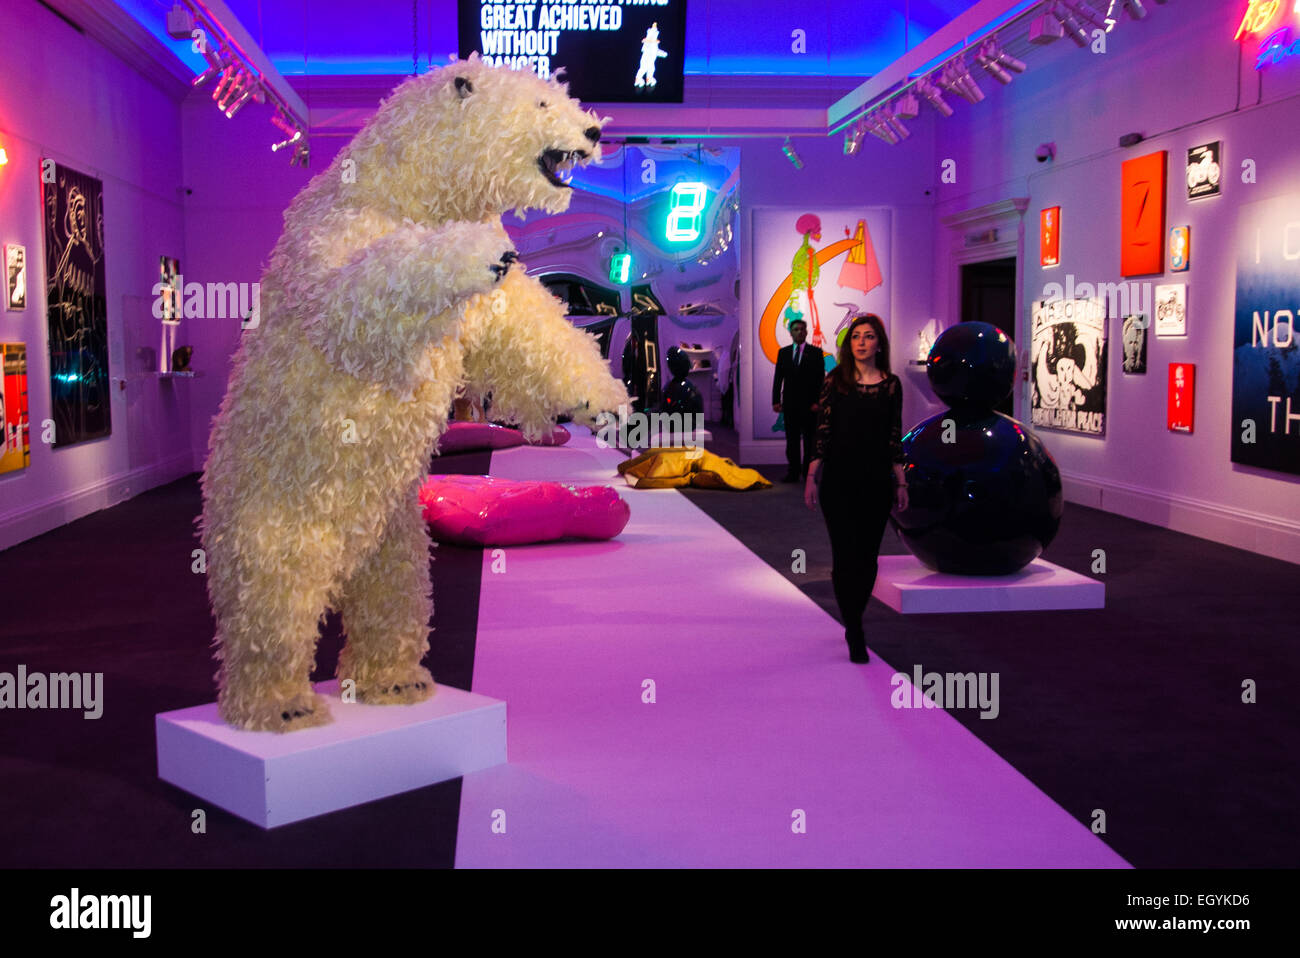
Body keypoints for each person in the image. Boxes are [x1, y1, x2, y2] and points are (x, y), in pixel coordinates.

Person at [804, 314, 907, 663]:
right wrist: (811, 476)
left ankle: (854, 616)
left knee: (868, 558)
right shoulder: (836, 381)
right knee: (844, 555)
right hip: (839, 480)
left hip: (876, 480)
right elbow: (823, 429)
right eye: (856, 337)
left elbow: (895, 433)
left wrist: (901, 479)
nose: (862, 342)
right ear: (849, 345)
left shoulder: (892, 385)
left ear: (880, 343)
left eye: (869, 336)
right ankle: (855, 627)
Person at [771, 319, 824, 482]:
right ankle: (793, 473)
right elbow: (778, 378)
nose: (799, 332)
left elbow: (820, 380)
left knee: (809, 442)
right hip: (790, 405)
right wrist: (775, 400)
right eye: (796, 329)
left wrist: (818, 402)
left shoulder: (816, 353)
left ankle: (808, 474)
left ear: (806, 332)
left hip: (810, 405)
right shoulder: (784, 353)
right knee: (792, 441)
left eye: (802, 329)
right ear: (790, 332)